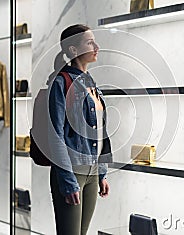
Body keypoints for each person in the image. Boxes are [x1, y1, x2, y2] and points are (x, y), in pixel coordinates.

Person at [47, 24, 113, 235]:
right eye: (89, 42)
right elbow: (55, 136)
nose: (97, 46)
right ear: (73, 50)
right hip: (72, 171)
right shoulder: (61, 83)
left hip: (92, 171)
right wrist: (67, 180)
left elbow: (100, 132)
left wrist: (102, 172)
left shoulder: (91, 83)